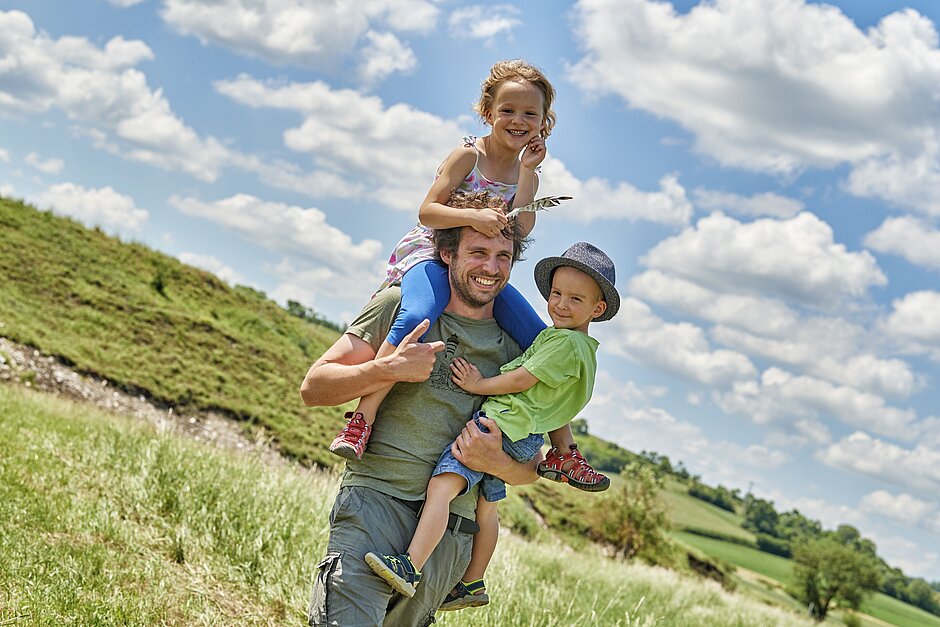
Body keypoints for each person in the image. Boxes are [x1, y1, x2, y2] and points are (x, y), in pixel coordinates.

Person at [301, 221, 540, 626]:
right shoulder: (398, 306)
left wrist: (497, 463)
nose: (492, 267)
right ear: (447, 253)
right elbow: (314, 388)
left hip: (451, 535)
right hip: (376, 502)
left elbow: (531, 469)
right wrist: (387, 368)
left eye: (503, 256)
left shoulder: (521, 350)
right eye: (478, 252)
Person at [363, 242, 620, 612]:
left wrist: (478, 385)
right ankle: (472, 581)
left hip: (501, 424)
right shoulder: (582, 347)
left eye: (575, 300)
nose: (561, 304)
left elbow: (522, 379)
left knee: (441, 488)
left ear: (597, 309)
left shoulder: (564, 343)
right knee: (486, 506)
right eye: (557, 294)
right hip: (524, 433)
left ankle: (410, 565)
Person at [328, 59, 558, 463]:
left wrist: (526, 173)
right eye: (508, 110)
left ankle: (561, 448)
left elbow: (519, 231)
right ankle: (361, 420)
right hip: (433, 252)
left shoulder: (530, 177)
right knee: (418, 311)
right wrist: (473, 217)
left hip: (479, 268)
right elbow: (427, 211)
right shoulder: (468, 156)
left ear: (543, 123)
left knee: (543, 339)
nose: (517, 120)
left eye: (529, 114)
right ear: (488, 113)